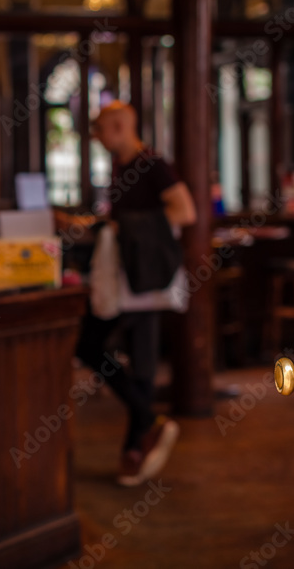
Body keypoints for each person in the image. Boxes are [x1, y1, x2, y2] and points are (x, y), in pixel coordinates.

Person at [70, 101, 196, 487]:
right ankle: (141, 435)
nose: (95, 135)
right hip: (129, 275)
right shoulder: (122, 167)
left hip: (144, 276)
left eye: (100, 128)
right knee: (126, 355)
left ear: (121, 126)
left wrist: (123, 228)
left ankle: (140, 438)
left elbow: (184, 212)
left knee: (92, 346)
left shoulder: (152, 164)